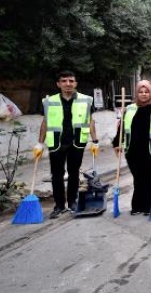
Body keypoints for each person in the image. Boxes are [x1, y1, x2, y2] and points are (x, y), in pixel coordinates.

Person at [33, 70, 99, 218]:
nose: (68, 84)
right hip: (57, 142)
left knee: (74, 173)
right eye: (64, 81)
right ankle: (59, 205)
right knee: (57, 175)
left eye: (71, 81)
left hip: (77, 142)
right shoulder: (49, 101)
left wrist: (95, 141)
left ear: (75, 83)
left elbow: (90, 120)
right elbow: (45, 122)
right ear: (58, 84)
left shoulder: (86, 100)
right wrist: (39, 143)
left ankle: (72, 202)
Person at [112, 80, 151, 215]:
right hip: (133, 150)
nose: (144, 94)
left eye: (146, 92)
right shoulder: (128, 109)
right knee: (138, 178)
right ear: (137, 93)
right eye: (141, 92)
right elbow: (122, 129)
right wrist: (117, 143)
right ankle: (138, 206)